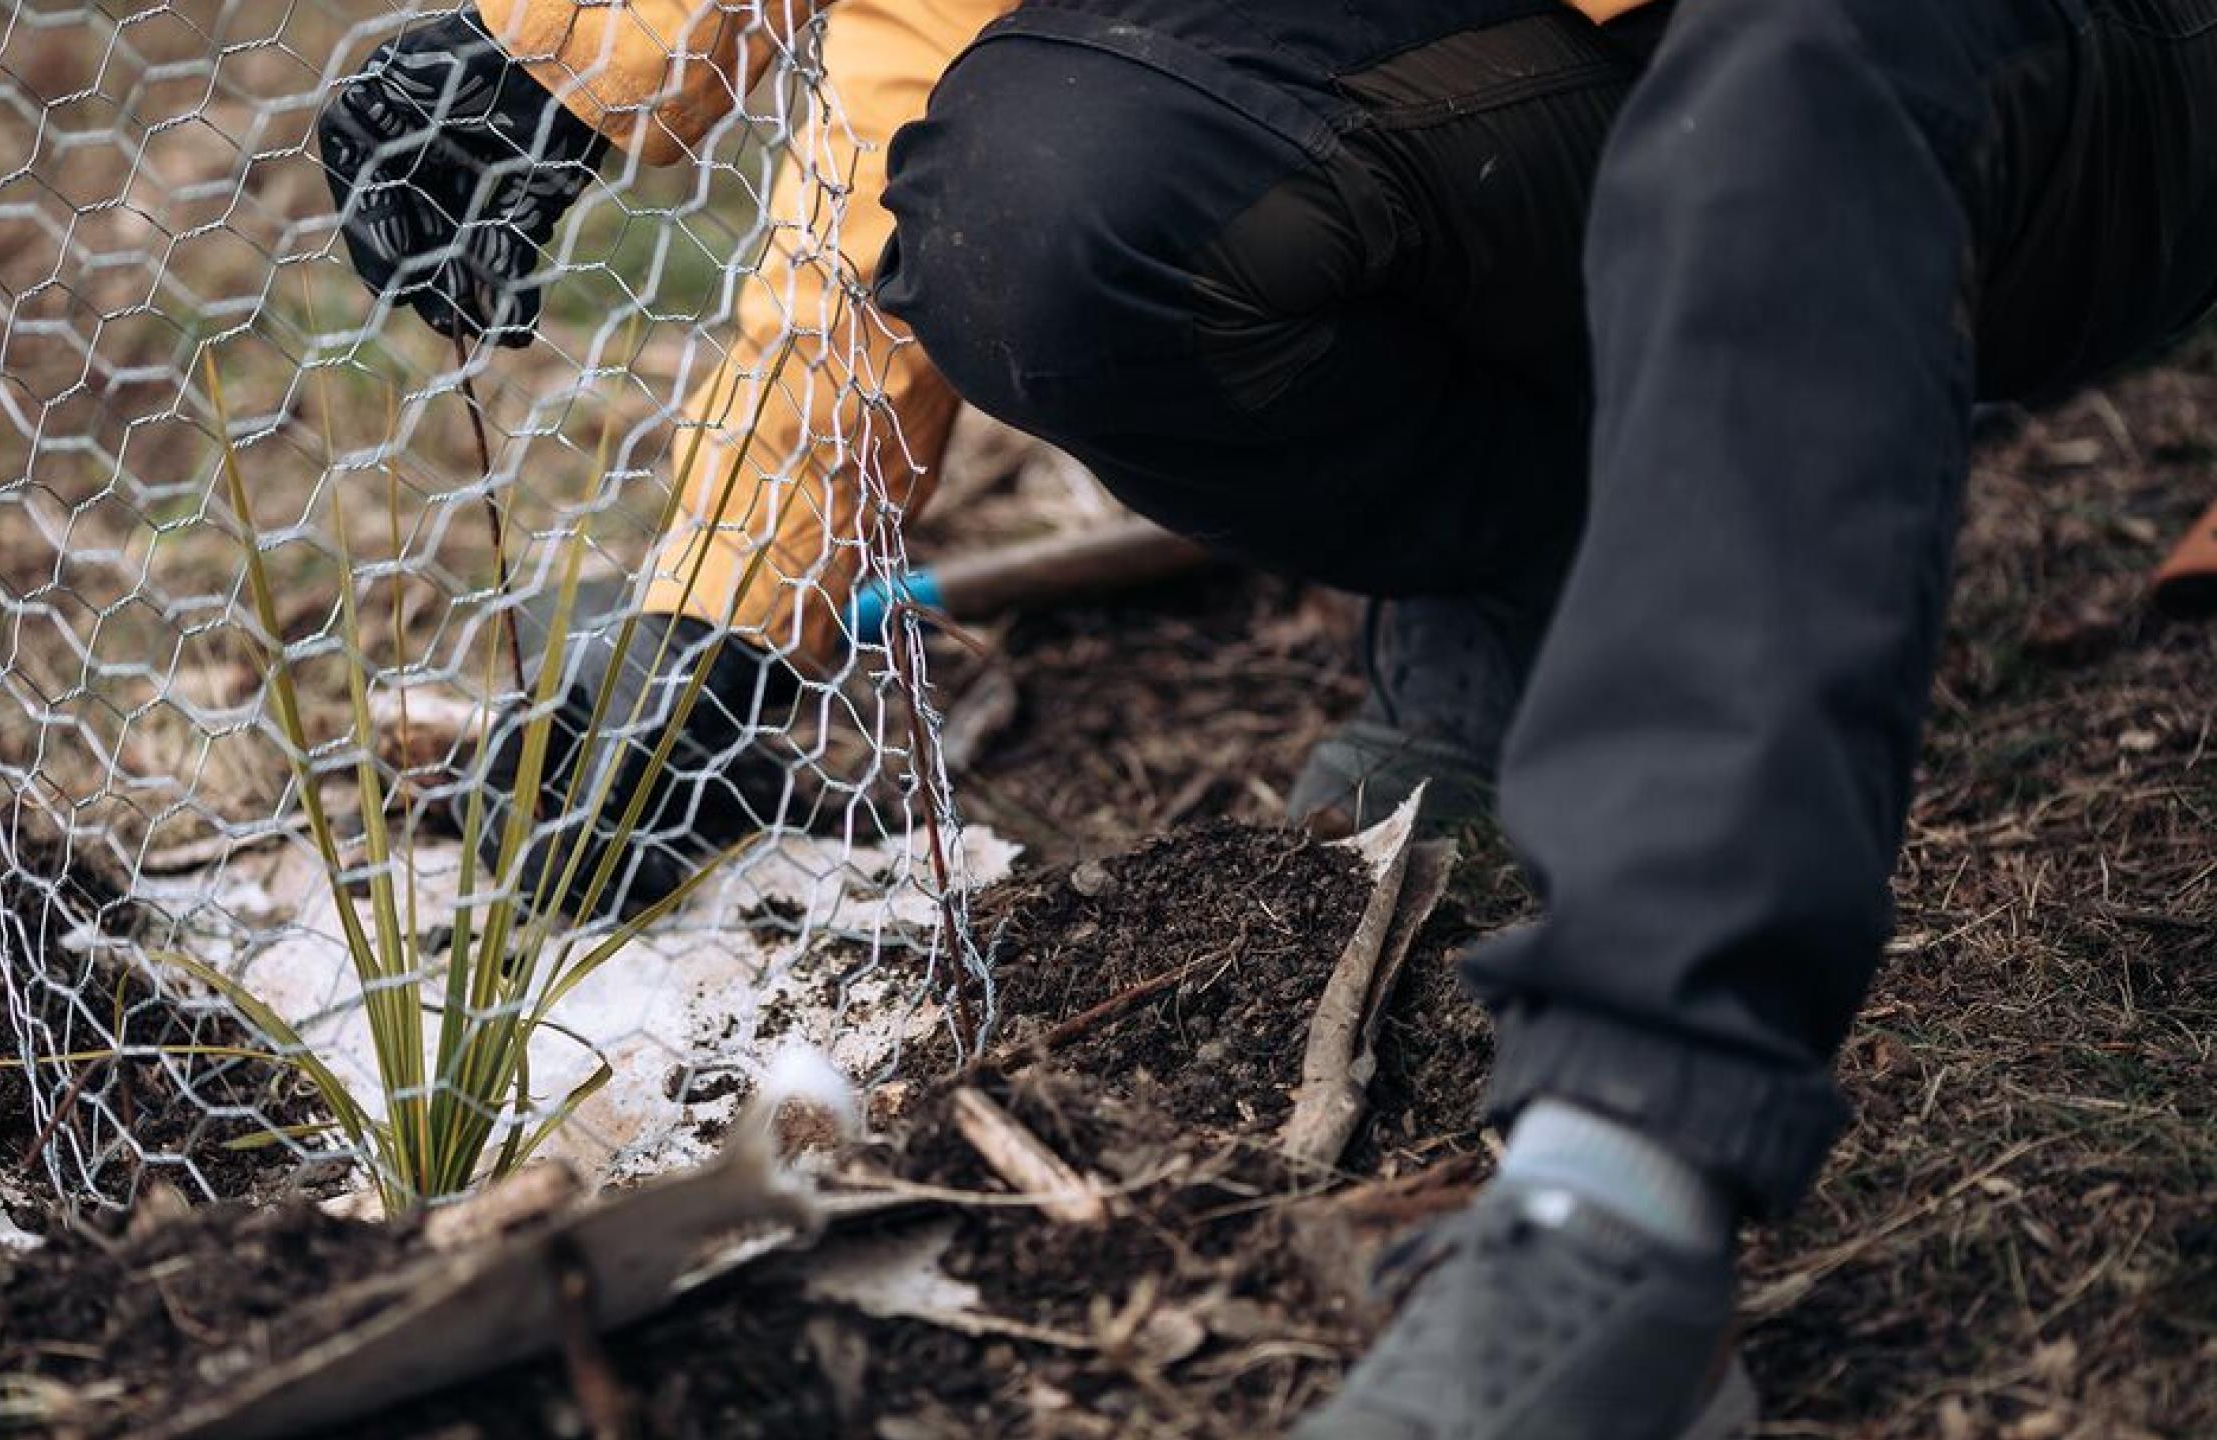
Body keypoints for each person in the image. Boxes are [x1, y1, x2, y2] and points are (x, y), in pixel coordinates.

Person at [318, 2, 2217, 1435]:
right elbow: (925, 61)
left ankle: (1627, 1176)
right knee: (1050, 194)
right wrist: (720, 613)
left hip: (2037, 79)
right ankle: (1569, 566)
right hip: (1556, 105)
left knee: (1774, 82)